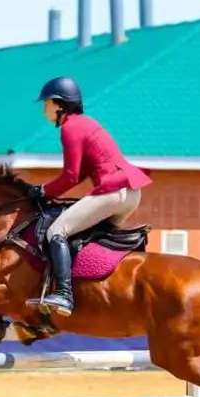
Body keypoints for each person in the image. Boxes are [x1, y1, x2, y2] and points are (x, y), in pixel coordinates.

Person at [25, 76, 153, 317]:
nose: (44, 108)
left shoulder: (70, 128)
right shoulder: (85, 123)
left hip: (112, 192)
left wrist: (42, 191)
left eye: (47, 103)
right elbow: (82, 173)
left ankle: (63, 294)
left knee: (56, 232)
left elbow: (71, 176)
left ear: (59, 104)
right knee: (85, 237)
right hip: (130, 194)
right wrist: (48, 190)